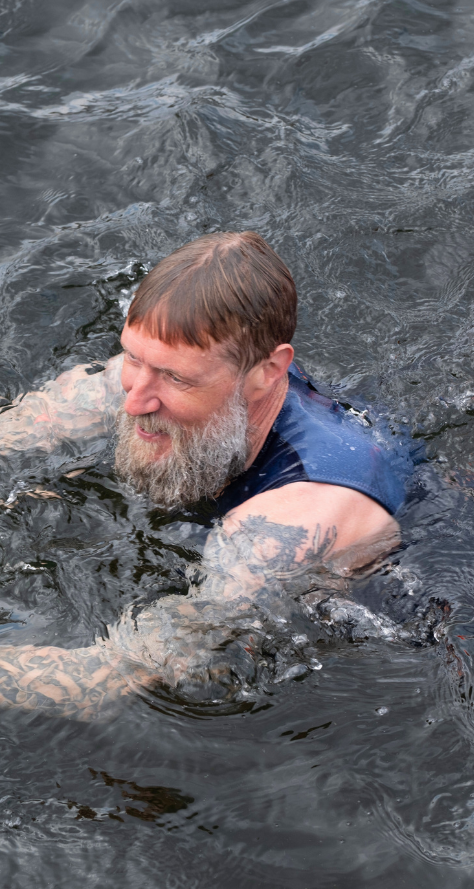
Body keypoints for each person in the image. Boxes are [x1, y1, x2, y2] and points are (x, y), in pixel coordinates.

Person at [0, 232, 408, 720]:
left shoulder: (295, 520)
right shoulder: (163, 367)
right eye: (133, 357)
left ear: (267, 371)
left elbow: (114, 675)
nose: (134, 400)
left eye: (176, 378)